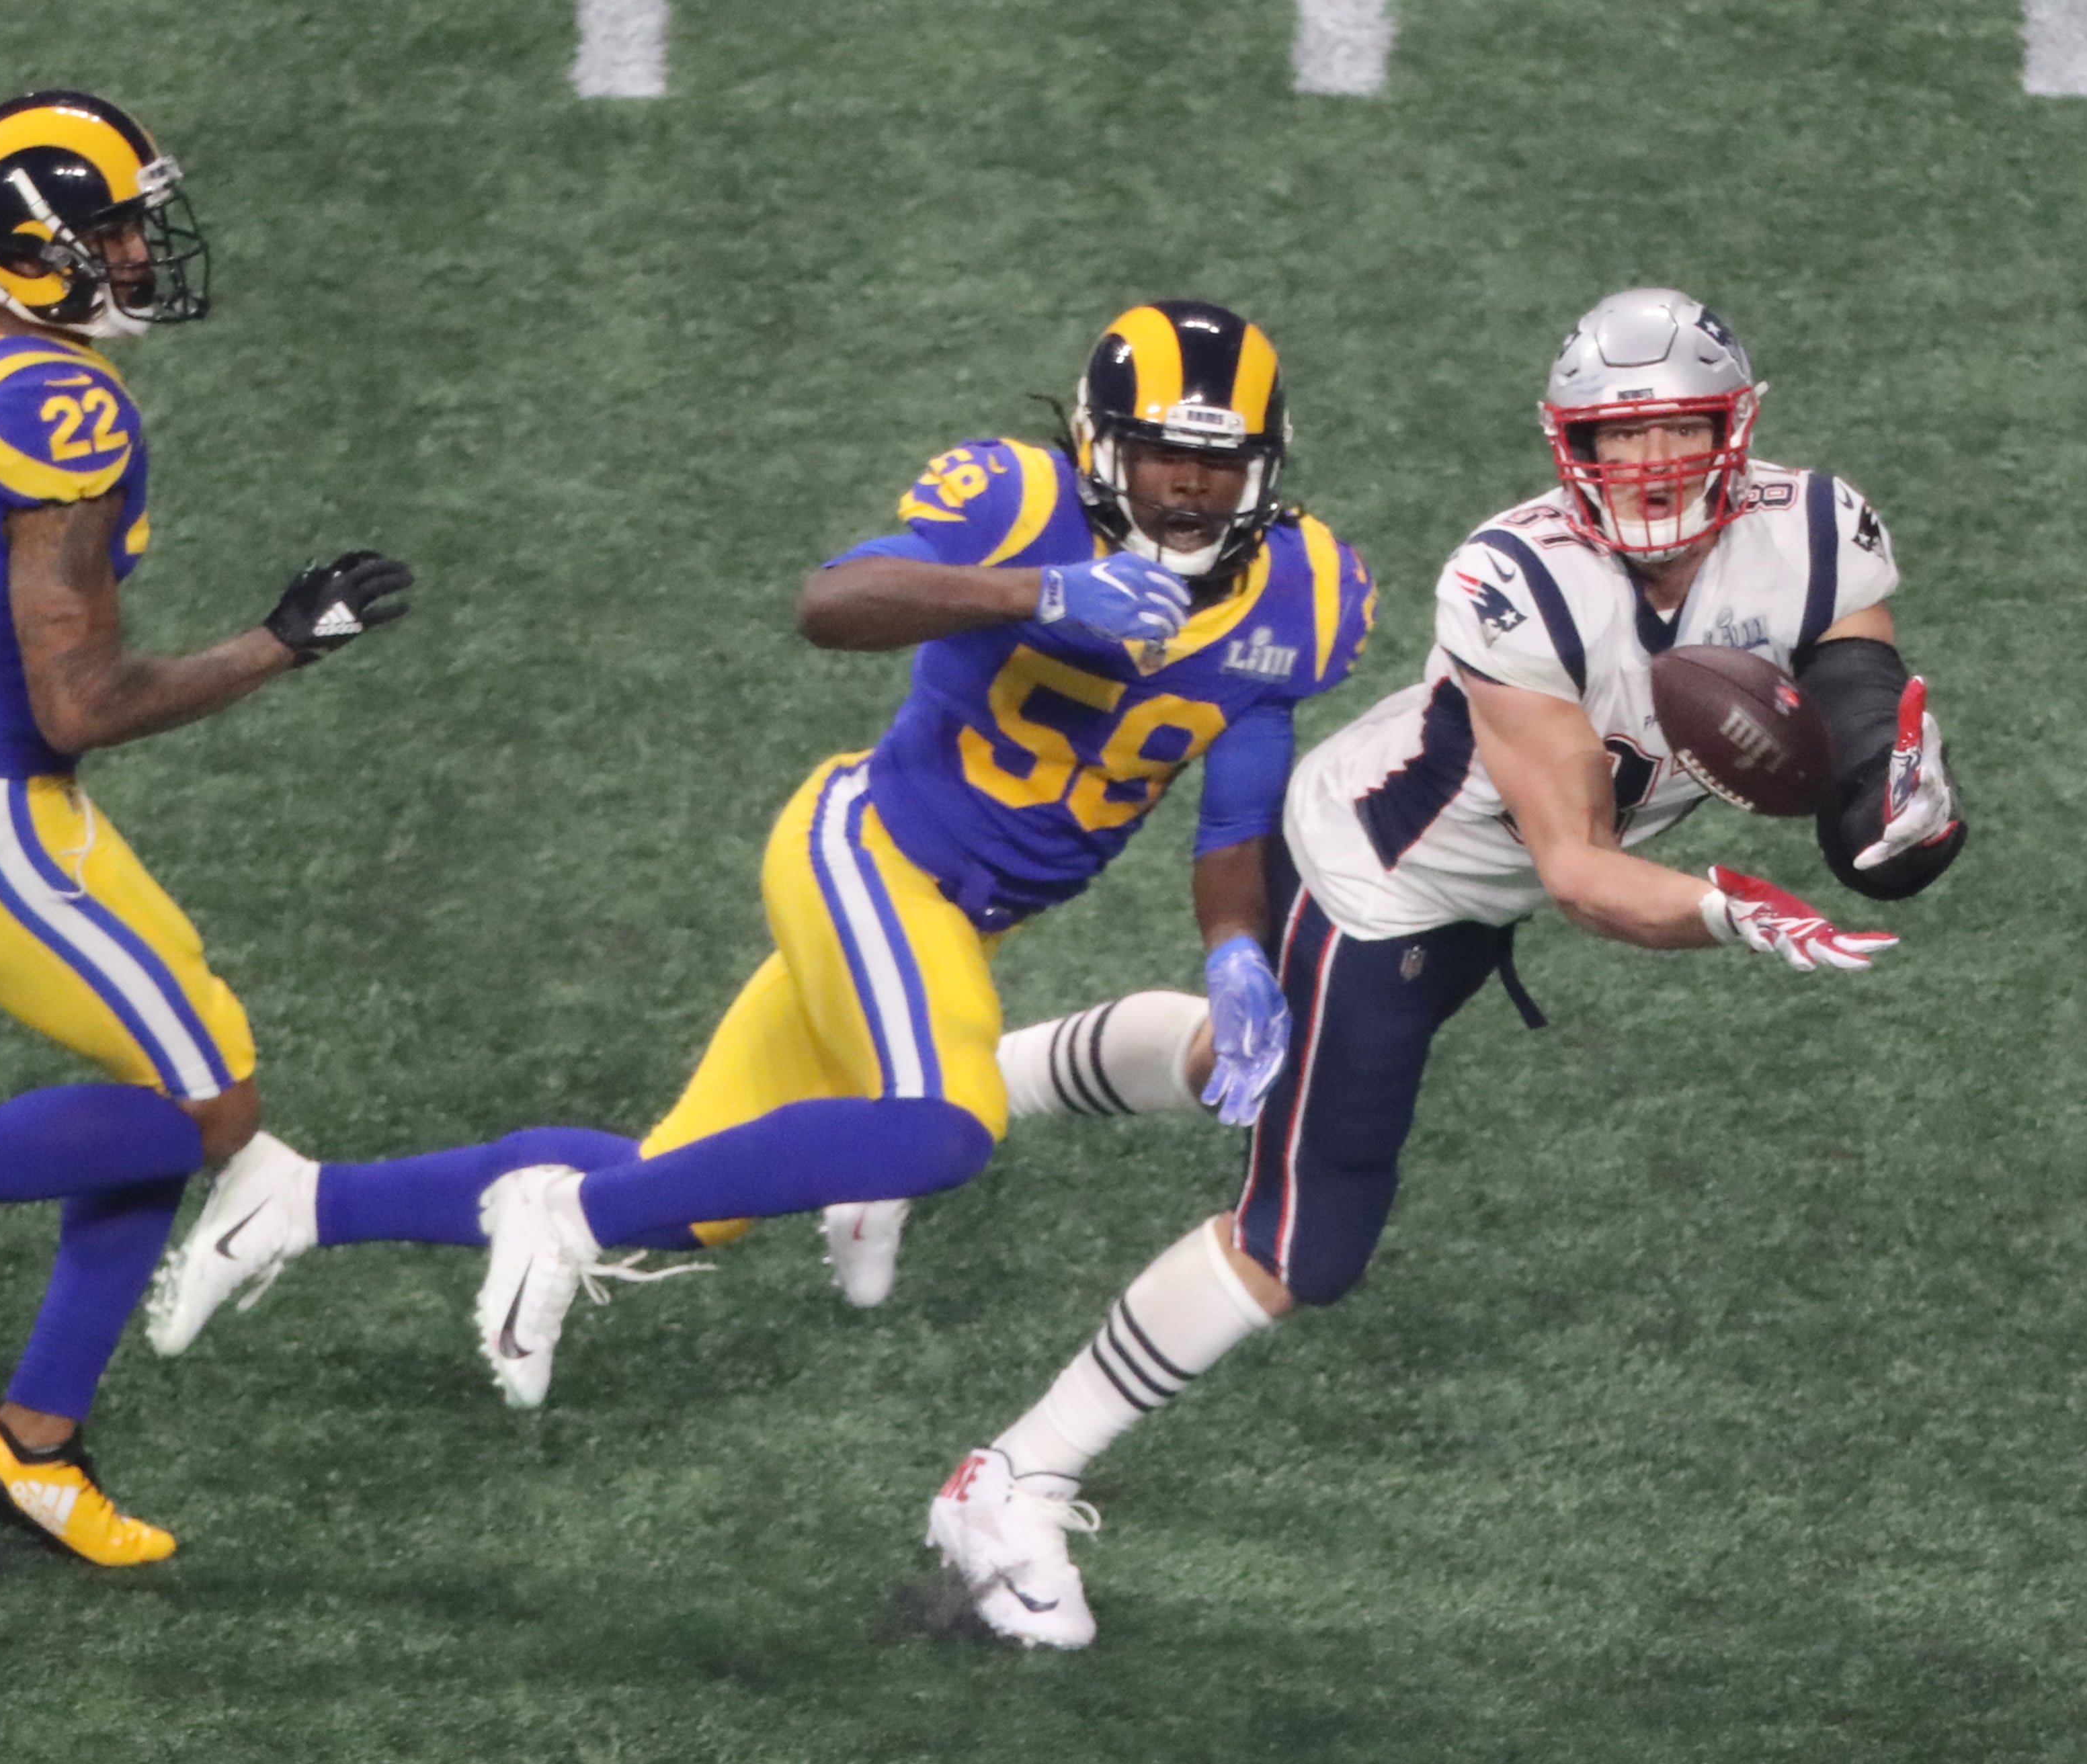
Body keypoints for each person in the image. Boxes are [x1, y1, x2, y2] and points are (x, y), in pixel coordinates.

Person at [924, 287, 1965, 1648]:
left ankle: (956, 1090)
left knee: (1240, 1061)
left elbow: (1853, 720)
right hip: (1379, 889)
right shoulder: (1516, 578)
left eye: (1679, 429)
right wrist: (1727, 911)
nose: (1651, 464)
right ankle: (1009, 1479)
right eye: (1620, 435)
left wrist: (1901, 805)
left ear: (1740, 426)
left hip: (1468, 890)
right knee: (1307, 1234)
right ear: (1568, 446)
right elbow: (1581, 868)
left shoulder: (1821, 528)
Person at [142, 302, 1380, 1411]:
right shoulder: (1017, 499)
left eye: (1221, 461)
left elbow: (1236, 815)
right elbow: (830, 603)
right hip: (872, 857)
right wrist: (1040, 593)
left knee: (691, 1192)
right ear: (1101, 446)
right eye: (1163, 453)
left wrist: (1235, 951)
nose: (1190, 486)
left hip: (969, 918)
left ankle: (298, 1199)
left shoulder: (1305, 592)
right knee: (946, 1125)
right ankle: (561, 1212)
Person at [0, 90, 411, 1566]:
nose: (132, 253)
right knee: (210, 1111)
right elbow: (82, 703)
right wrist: (285, 642)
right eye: (104, 231)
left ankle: (34, 1445)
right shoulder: (64, 412)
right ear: (28, 250)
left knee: (182, 1072)